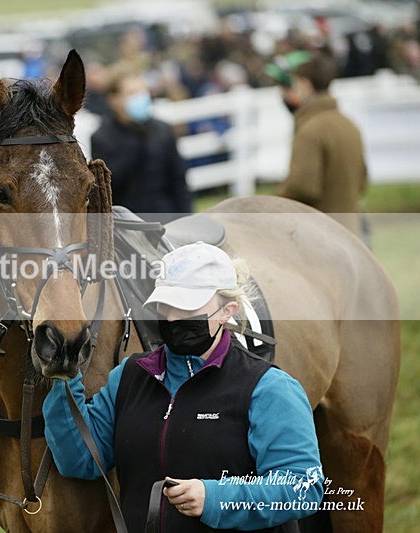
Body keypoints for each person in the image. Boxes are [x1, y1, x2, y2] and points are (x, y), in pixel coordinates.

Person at [43, 242, 324, 531]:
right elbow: (78, 460)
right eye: (166, 305)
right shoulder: (129, 376)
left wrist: (215, 499)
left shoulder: (269, 388)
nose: (173, 317)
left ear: (227, 311)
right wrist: (64, 377)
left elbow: (303, 488)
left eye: (187, 306)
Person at [274, 51, 368, 237]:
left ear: (306, 84)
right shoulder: (349, 125)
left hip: (321, 237)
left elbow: (303, 187)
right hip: (351, 233)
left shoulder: (310, 130)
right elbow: (363, 181)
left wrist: (272, 199)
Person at [91, 69, 192, 224]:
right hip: (127, 225)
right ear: (114, 100)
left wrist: (186, 220)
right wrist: (133, 144)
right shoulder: (102, 138)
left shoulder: (162, 130)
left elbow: (178, 181)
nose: (140, 97)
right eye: (132, 93)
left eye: (142, 91)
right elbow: (107, 189)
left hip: (166, 219)